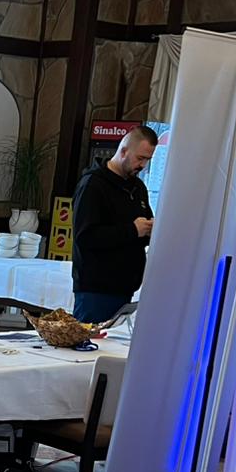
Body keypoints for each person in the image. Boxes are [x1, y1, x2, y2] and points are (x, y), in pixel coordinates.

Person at [71, 125, 157, 324]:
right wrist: (132, 230)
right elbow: (85, 237)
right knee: (90, 341)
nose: (143, 165)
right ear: (124, 151)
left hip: (125, 286)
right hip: (96, 288)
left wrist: (151, 230)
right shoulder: (92, 185)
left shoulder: (138, 187)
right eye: (140, 158)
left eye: (148, 160)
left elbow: (142, 229)